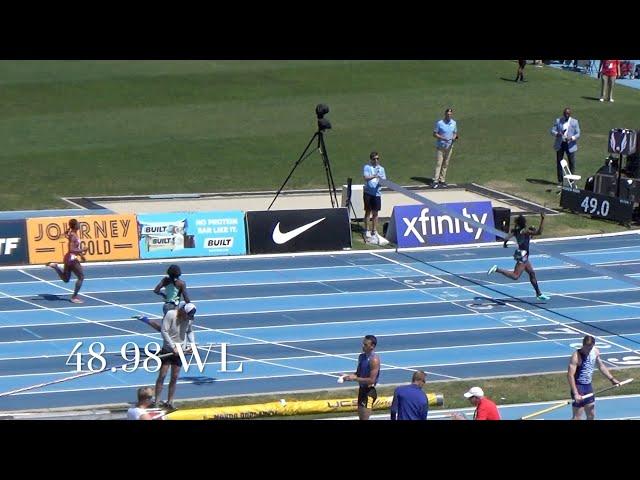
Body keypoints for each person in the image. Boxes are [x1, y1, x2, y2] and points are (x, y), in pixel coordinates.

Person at [488, 213, 550, 302]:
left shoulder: (516, 231)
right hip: (523, 255)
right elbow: (539, 232)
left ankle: (538, 294)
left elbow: (507, 237)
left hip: (522, 254)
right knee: (515, 276)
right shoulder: (525, 231)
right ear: (524, 223)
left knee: (532, 273)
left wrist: (505, 244)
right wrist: (543, 219)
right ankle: (497, 269)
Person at [154, 302, 197, 411]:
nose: (188, 318)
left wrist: (192, 344)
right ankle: (157, 401)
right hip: (168, 350)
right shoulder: (170, 314)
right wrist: (173, 347)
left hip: (180, 351)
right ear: (183, 310)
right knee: (162, 375)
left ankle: (170, 402)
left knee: (174, 377)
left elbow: (190, 331)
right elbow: (164, 331)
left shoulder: (189, 319)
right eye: (187, 315)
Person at [568, 335, 620, 420]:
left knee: (591, 415)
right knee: (577, 417)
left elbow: (601, 366)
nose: (588, 350)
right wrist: (575, 393)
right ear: (583, 345)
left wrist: (612, 379)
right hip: (578, 387)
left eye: (590, 348)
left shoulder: (595, 351)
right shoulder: (576, 356)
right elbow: (570, 375)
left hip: (588, 387)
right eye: (587, 348)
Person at [46, 218, 88, 304]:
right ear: (75, 225)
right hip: (71, 259)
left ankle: (56, 267)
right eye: (78, 223)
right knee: (81, 277)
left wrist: (81, 255)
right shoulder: (73, 236)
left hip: (69, 258)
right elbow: (72, 249)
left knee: (66, 279)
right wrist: (82, 250)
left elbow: (74, 247)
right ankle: (74, 297)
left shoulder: (73, 234)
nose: (79, 224)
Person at [342, 334, 380, 420]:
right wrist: (348, 376)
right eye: (363, 344)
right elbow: (358, 373)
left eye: (365, 345)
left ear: (372, 346)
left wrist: (355, 378)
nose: (363, 346)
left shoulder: (374, 360)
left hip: (369, 392)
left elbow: (372, 380)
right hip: (362, 390)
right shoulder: (361, 357)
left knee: (365, 418)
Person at [550, 107, 580, 184]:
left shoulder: (574, 122)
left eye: (568, 114)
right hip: (560, 144)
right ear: (563, 114)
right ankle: (560, 181)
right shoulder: (558, 121)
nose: (566, 115)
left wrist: (572, 138)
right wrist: (557, 133)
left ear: (570, 114)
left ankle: (571, 180)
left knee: (571, 163)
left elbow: (578, 134)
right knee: (559, 162)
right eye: (565, 114)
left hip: (570, 145)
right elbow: (552, 130)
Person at [363, 151, 386, 243]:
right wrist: (374, 176)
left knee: (375, 213)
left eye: (377, 158)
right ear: (371, 160)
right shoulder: (367, 167)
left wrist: (381, 180)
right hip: (368, 193)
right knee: (368, 211)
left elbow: (384, 180)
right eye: (374, 159)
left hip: (377, 193)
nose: (376, 160)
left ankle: (374, 230)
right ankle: (367, 230)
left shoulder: (382, 169)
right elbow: (365, 178)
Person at [432, 107, 458, 188]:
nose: (449, 115)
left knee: (445, 164)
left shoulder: (454, 123)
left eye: (450, 114)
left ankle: (442, 180)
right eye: (447, 114)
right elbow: (434, 134)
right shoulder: (440, 123)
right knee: (439, 163)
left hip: (449, 146)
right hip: (441, 146)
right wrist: (442, 138)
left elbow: (455, 133)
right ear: (445, 114)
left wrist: (454, 137)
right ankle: (435, 181)